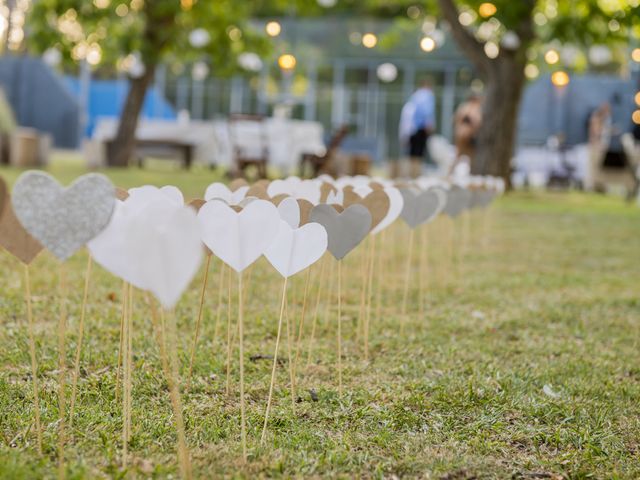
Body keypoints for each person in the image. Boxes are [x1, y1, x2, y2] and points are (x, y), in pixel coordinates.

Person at [398, 79, 436, 177]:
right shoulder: (427, 95)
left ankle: (410, 172)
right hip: (421, 127)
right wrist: (429, 124)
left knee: (412, 151)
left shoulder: (414, 96)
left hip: (412, 129)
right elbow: (427, 111)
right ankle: (416, 173)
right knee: (419, 151)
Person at [451, 94, 482, 175]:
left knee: (458, 156)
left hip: (460, 134)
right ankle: (472, 174)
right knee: (471, 158)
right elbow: (476, 122)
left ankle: (450, 173)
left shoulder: (462, 107)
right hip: (468, 135)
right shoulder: (473, 108)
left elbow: (455, 120)